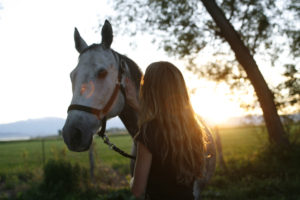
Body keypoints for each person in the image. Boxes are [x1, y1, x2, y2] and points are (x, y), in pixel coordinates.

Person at [125, 61, 207, 200]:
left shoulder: (148, 132)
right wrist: (136, 105)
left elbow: (137, 190)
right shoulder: (194, 128)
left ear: (150, 91)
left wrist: (132, 180)